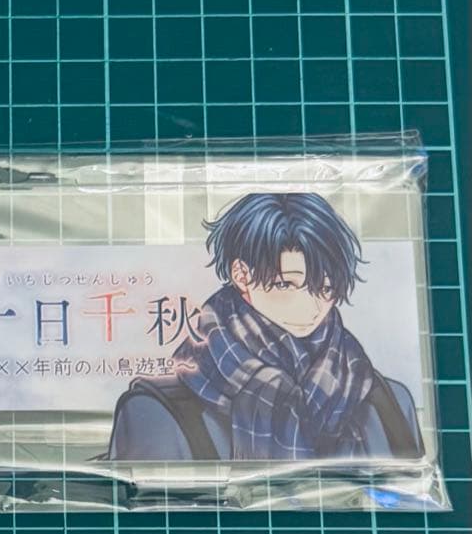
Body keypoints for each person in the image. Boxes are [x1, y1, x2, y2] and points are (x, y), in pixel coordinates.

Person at [108, 193, 423, 461]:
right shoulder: (156, 414)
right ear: (241, 275)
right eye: (287, 284)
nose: (312, 308)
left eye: (325, 289)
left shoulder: (388, 401)